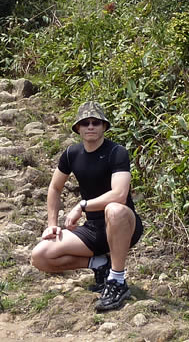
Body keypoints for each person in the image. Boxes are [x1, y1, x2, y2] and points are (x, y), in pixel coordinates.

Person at [29, 100, 144, 313]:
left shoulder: (117, 152)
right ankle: (99, 264)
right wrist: (52, 224)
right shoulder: (71, 154)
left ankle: (117, 281)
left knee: (114, 209)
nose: (90, 126)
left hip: (124, 226)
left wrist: (82, 206)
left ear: (104, 126)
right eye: (85, 123)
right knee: (40, 256)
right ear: (78, 128)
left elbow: (119, 194)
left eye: (95, 122)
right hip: (93, 230)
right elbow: (54, 187)